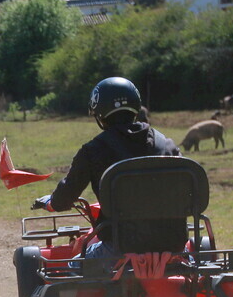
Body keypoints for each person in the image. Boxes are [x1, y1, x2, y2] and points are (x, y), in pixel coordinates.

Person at [33, 76, 180, 259]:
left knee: (71, 268)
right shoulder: (167, 145)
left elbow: (66, 195)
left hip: (118, 249)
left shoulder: (92, 151)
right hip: (174, 245)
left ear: (99, 113)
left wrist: (52, 202)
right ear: (136, 107)